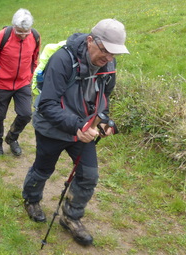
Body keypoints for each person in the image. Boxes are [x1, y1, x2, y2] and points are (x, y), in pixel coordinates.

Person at [22, 19, 129, 247]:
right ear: (90, 41)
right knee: (43, 168)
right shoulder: (63, 59)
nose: (109, 58)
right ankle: (31, 199)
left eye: (114, 53)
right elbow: (47, 104)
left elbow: (103, 99)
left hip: (84, 127)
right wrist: (77, 126)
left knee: (89, 175)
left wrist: (103, 122)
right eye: (105, 51)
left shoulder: (109, 65)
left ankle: (71, 217)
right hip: (52, 126)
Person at [0, 9, 40, 156]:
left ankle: (12, 137)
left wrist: (31, 76)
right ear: (13, 27)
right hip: (2, 84)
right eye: (19, 32)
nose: (23, 35)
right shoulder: (3, 36)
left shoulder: (35, 36)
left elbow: (35, 59)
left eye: (26, 32)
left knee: (25, 114)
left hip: (22, 83)